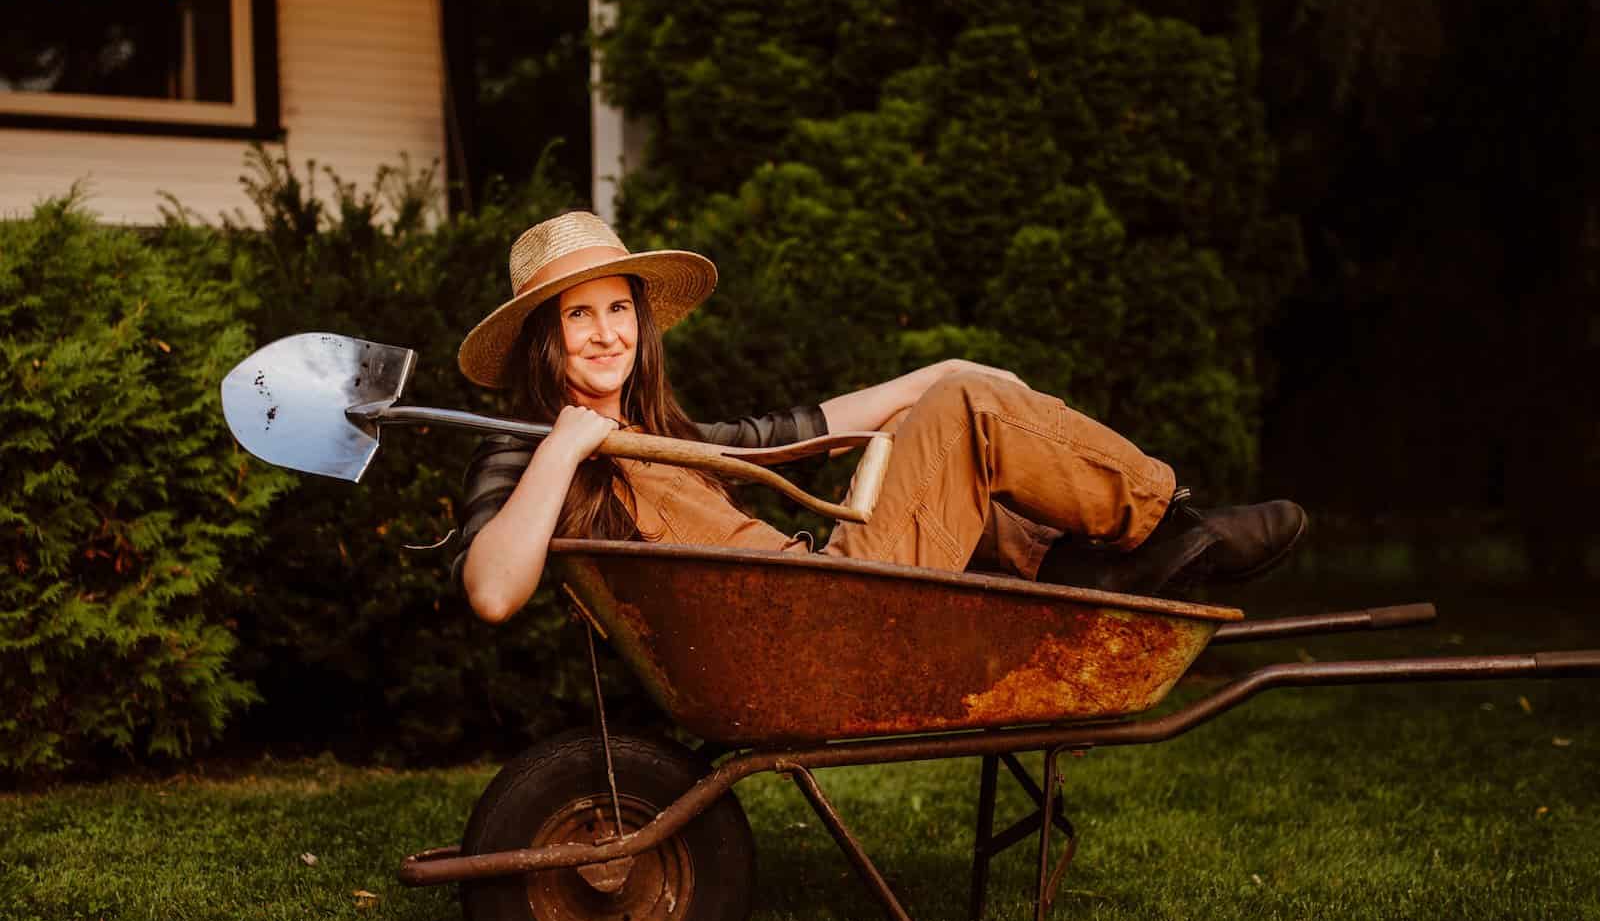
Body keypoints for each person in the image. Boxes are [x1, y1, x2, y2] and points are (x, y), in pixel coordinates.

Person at [454, 211, 1305, 625]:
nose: (606, 333)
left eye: (618, 309)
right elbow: (492, 593)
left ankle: (1095, 568)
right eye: (578, 315)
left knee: (935, 424)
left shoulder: (668, 439)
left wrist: (942, 370)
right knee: (967, 414)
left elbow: (801, 430)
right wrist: (562, 451)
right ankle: (1172, 531)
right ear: (543, 339)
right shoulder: (521, 452)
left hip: (816, 599)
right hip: (808, 622)